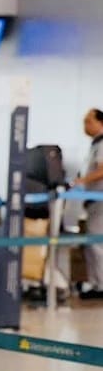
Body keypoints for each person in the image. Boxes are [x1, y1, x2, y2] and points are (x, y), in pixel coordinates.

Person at [74, 108, 103, 300]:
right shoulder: (95, 145)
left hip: (101, 200)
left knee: (97, 243)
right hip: (93, 200)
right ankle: (95, 284)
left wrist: (81, 181)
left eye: (88, 122)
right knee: (93, 242)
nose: (85, 126)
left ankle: (100, 285)